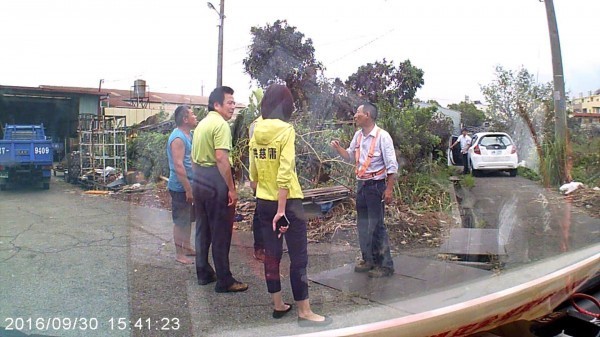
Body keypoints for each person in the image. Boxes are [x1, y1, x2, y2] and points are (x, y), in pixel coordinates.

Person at [249, 84, 331, 327]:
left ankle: (278, 305)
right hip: (289, 203)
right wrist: (282, 209)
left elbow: (253, 172)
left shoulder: (256, 129)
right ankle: (304, 312)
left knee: (272, 255)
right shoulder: (286, 130)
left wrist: (263, 195)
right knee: (298, 256)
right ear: (286, 106)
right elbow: (285, 171)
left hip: (263, 201)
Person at [330, 102, 398, 278]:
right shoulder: (358, 136)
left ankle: (385, 265)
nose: (355, 116)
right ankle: (368, 260)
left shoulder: (383, 137)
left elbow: (392, 166)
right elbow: (350, 155)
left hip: (376, 186)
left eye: (358, 113)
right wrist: (338, 149)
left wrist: (388, 189)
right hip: (361, 185)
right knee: (363, 224)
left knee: (377, 226)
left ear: (367, 115)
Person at [191, 86, 248, 293]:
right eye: (229, 102)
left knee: (203, 229)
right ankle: (224, 280)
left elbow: (193, 158)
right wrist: (231, 189)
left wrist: (198, 180)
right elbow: (222, 159)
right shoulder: (221, 126)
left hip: (200, 180)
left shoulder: (201, 125)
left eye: (234, 102)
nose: (233, 106)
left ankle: (203, 272)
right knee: (221, 232)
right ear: (217, 105)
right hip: (216, 180)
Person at [167, 105, 197, 265]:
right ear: (185, 119)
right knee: (180, 221)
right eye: (192, 115)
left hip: (190, 184)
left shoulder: (189, 135)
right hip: (180, 187)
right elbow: (179, 165)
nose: (195, 117)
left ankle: (186, 247)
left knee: (188, 218)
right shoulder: (178, 138)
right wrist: (188, 189)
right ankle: (179, 254)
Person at [249, 115, 265, 262]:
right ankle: (259, 248)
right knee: (260, 215)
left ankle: (267, 246)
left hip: (273, 181)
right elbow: (254, 155)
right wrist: (253, 180)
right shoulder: (257, 125)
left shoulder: (277, 122)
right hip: (262, 180)